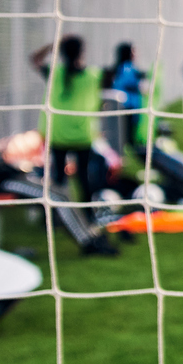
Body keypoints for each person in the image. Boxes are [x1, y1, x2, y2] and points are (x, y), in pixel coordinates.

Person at [0, 99, 113, 254]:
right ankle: (88, 243)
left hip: (9, 177)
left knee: (60, 192)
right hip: (1, 183)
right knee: (55, 197)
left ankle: (90, 236)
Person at [32, 35, 116, 254]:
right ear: (82, 52)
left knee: (57, 179)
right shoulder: (93, 75)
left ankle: (54, 218)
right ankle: (87, 216)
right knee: (83, 179)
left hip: (56, 133)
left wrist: (52, 44)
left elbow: (34, 59)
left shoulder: (55, 72)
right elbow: (112, 77)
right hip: (82, 135)